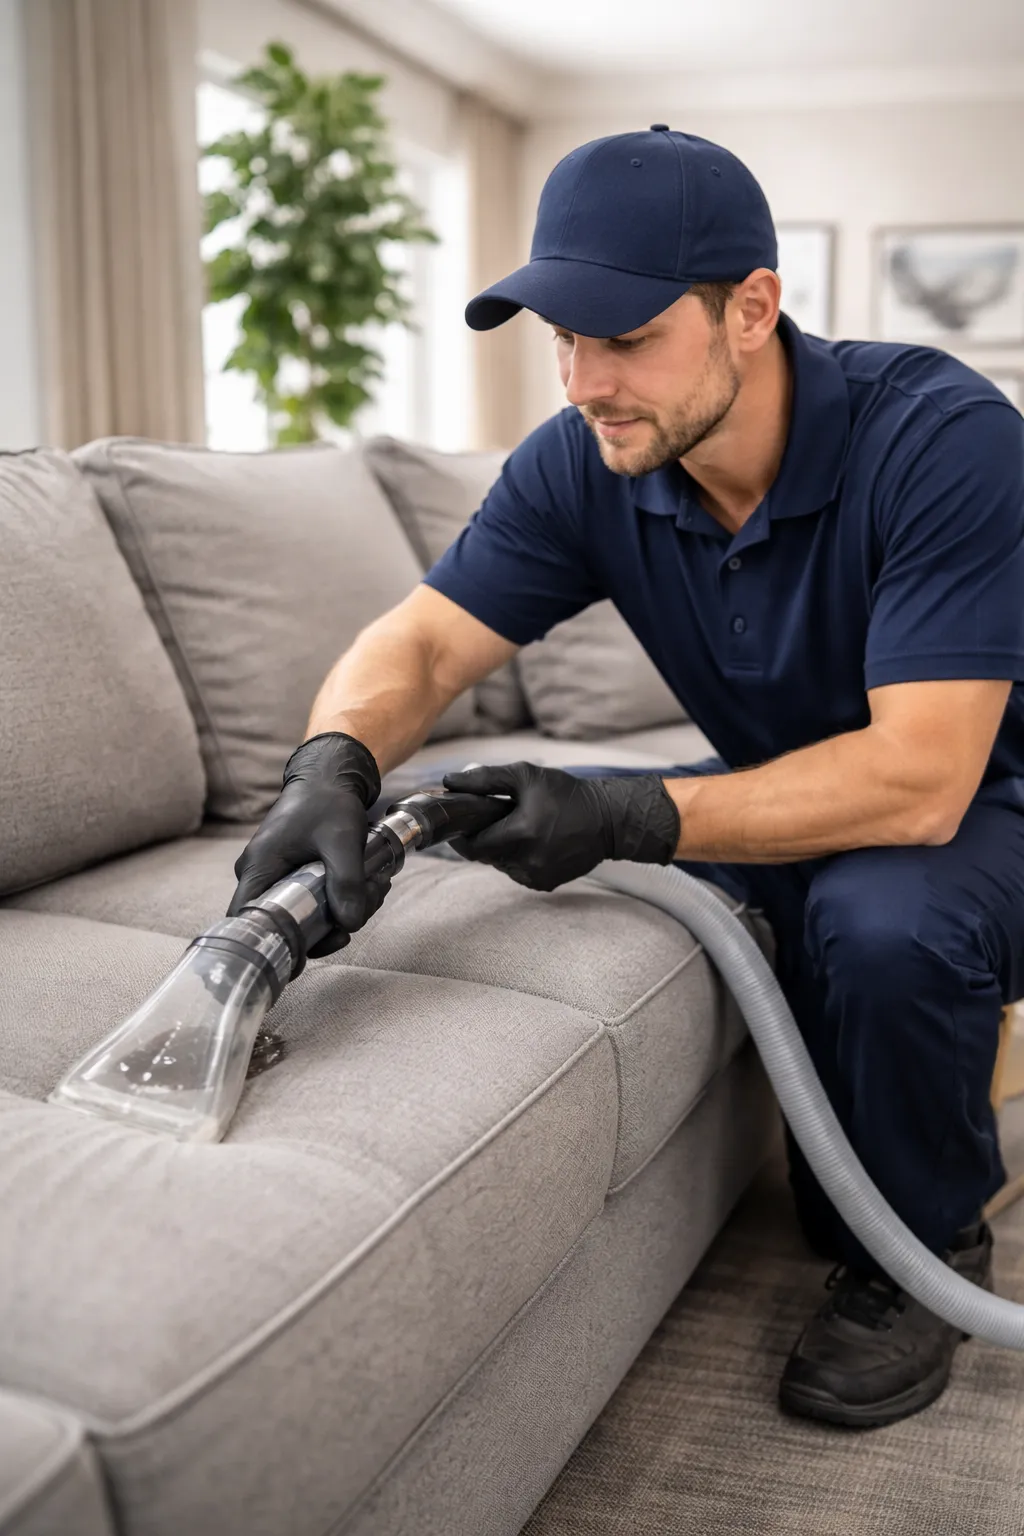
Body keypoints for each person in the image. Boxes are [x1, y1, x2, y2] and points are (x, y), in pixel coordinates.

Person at [228, 126, 1024, 1429]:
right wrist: (335, 760)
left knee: (877, 918)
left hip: (989, 794)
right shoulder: (592, 456)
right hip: (797, 768)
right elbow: (427, 640)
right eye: (564, 338)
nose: (587, 380)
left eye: (627, 337)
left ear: (751, 311)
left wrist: (634, 815)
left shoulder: (940, 436)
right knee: (517, 807)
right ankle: (886, 1175)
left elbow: (923, 782)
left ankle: (928, 1253)